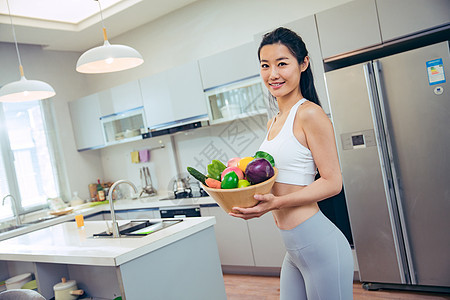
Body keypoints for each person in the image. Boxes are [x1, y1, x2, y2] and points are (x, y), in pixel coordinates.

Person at [229, 27, 354, 299]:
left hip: (319, 246)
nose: (273, 74)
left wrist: (276, 203)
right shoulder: (273, 121)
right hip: (294, 251)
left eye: (282, 63)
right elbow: (277, 180)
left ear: (303, 63)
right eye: (265, 65)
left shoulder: (310, 114)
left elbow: (333, 182)